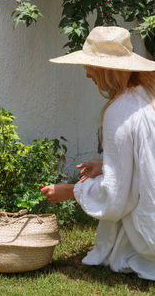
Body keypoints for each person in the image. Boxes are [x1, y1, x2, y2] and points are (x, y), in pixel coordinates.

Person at [41, 26, 155, 280]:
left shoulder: (120, 110)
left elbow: (115, 199)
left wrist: (70, 191)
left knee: (128, 251)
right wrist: (106, 165)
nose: (87, 75)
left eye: (89, 66)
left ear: (106, 70)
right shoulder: (147, 97)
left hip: (152, 237)